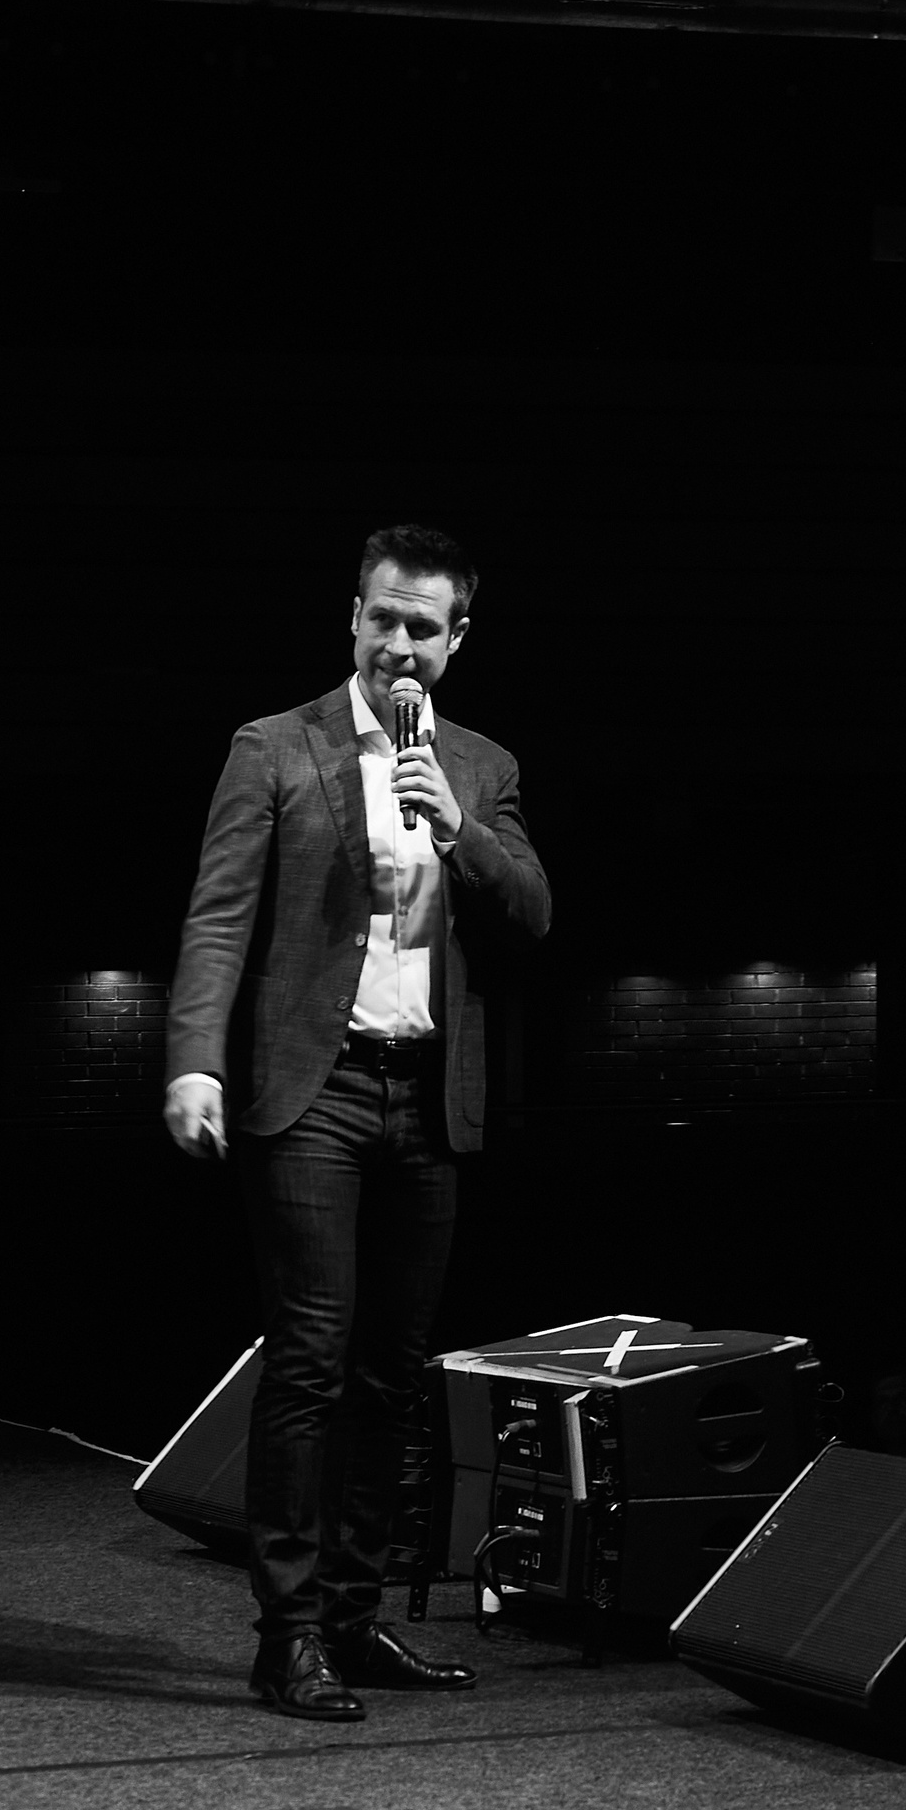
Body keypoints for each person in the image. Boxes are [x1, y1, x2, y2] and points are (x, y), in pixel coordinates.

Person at [163, 525, 551, 1721]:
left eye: (423, 628)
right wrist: (195, 1062)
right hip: (314, 1091)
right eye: (383, 619)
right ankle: (286, 1636)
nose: (399, 645)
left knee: (391, 1374)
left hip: (426, 1097)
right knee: (312, 1358)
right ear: (354, 617)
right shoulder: (276, 747)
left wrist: (460, 827)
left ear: (457, 638)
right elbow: (219, 917)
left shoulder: (479, 766)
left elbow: (532, 914)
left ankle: (351, 1614)